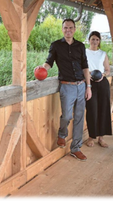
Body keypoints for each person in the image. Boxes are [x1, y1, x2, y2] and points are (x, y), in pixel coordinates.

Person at [35, 18, 92, 161]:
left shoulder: (80, 46)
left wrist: (88, 86)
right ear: (62, 29)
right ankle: (62, 133)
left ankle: (76, 148)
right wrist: (41, 69)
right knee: (67, 116)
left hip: (81, 85)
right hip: (67, 86)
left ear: (74, 29)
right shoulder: (55, 45)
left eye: (71, 28)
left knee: (79, 118)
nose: (68, 30)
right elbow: (49, 62)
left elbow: (85, 66)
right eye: (66, 28)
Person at [84, 31, 112, 148]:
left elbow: (107, 69)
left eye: (97, 39)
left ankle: (101, 137)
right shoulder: (84, 52)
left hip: (102, 83)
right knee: (91, 109)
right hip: (90, 83)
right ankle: (91, 136)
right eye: (93, 39)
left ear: (99, 41)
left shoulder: (103, 54)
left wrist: (102, 75)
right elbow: (82, 67)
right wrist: (89, 74)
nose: (95, 41)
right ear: (89, 40)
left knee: (103, 109)